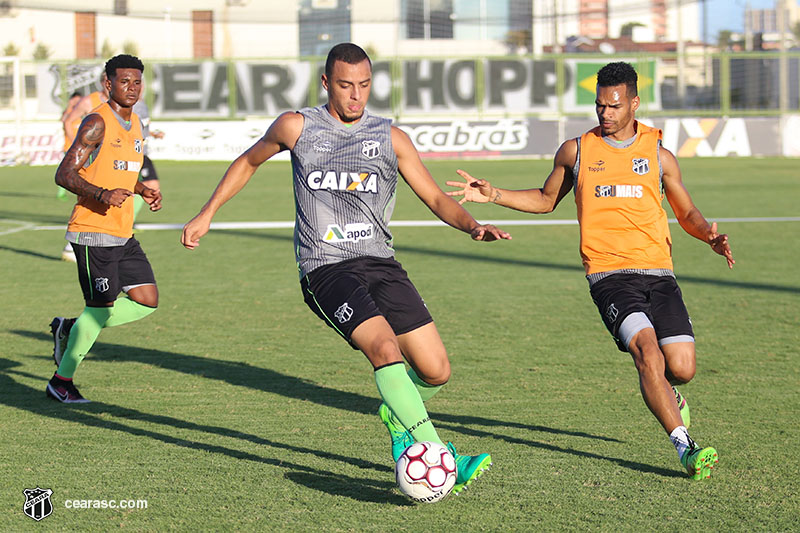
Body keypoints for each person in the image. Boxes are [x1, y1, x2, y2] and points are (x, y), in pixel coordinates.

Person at [181, 43, 509, 494]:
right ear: (325, 83)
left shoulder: (389, 136)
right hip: (326, 268)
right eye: (345, 85)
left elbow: (435, 197)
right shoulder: (297, 126)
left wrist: (473, 226)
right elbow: (248, 161)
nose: (356, 95)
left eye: (364, 85)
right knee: (385, 349)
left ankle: (398, 415)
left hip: (381, 262)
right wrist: (207, 212)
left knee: (435, 371)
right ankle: (439, 455)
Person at [447, 62, 734, 481]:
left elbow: (686, 211)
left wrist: (708, 235)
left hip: (659, 273)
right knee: (646, 353)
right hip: (609, 276)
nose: (605, 113)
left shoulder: (658, 153)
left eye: (614, 106)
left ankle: (669, 394)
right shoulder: (576, 151)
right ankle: (684, 447)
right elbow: (546, 200)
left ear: (634, 103)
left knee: (683, 367)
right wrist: (495, 195)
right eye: (599, 105)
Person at [47, 54, 162, 403]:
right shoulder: (97, 122)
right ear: (107, 83)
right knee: (99, 308)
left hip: (122, 231)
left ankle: (69, 327)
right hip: (92, 230)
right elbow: (64, 174)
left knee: (146, 300)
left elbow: (121, 171)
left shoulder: (137, 124)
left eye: (137, 82)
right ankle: (61, 382)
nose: (132, 88)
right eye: (124, 81)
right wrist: (100, 193)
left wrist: (143, 190)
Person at [59, 77, 110, 261]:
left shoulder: (116, 103)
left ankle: (98, 242)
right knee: (88, 196)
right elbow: (68, 121)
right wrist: (78, 147)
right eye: (105, 80)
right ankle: (72, 245)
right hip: (88, 157)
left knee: (104, 198)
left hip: (106, 158)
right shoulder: (89, 101)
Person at [132, 97, 164, 221]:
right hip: (134, 154)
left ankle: (129, 220)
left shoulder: (143, 104)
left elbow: (142, 128)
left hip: (143, 154)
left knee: (152, 186)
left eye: (139, 82)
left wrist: (153, 134)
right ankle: (128, 220)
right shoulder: (129, 104)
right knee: (147, 186)